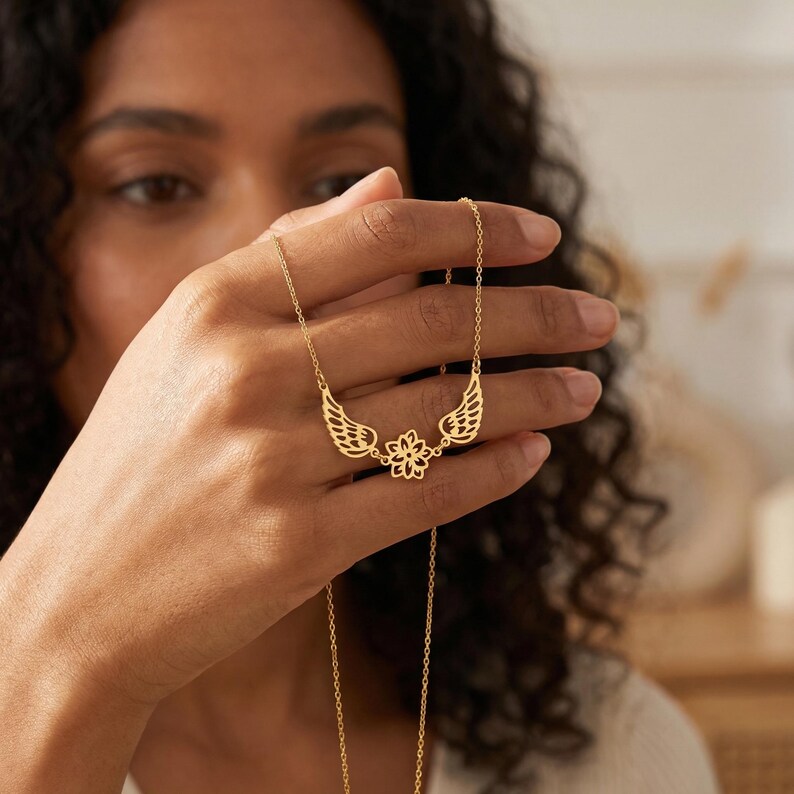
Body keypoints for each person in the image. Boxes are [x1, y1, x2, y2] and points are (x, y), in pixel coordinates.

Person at [0, 0, 721, 792]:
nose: (274, 251)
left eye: (343, 181)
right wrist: (55, 653)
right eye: (156, 185)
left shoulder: (609, 750)